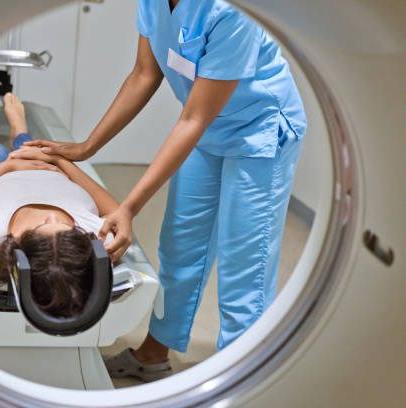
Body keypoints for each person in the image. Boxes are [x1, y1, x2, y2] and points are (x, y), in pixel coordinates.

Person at [24, 0, 307, 381]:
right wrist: (86, 147)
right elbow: (144, 73)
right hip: (209, 130)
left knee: (245, 270)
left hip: (259, 129)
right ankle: (152, 355)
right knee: (180, 247)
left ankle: (240, 383)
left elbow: (193, 118)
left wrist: (129, 207)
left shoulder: (230, 11)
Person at [0, 91, 117, 318]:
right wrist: (62, 162)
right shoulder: (99, 238)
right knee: (33, 148)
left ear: (16, 248)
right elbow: (115, 212)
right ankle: (20, 130)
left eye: (40, 228)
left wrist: (7, 167)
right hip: (50, 170)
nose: (52, 218)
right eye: (70, 229)